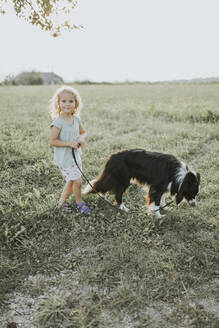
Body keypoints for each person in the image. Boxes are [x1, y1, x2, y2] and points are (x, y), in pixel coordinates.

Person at [50, 86, 90, 213]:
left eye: (71, 101)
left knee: (72, 181)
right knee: (76, 181)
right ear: (58, 103)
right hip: (65, 159)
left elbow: (83, 132)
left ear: (76, 103)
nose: (67, 104)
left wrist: (81, 139)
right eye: (64, 101)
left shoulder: (76, 119)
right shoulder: (58, 123)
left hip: (75, 157)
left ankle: (61, 202)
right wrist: (69, 143)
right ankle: (79, 202)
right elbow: (53, 141)